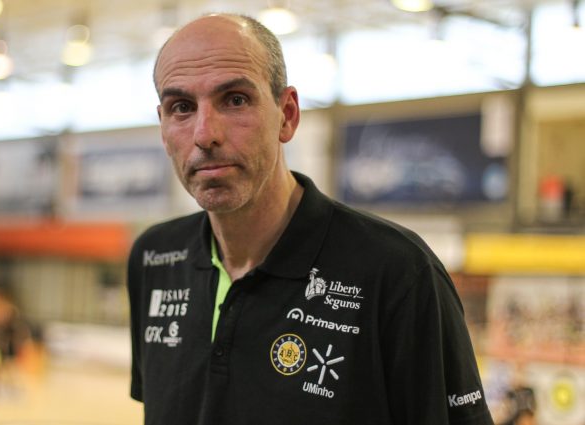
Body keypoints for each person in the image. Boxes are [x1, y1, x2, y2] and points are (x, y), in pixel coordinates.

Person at [127, 13, 494, 425]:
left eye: (235, 100)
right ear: (163, 128)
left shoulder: (399, 272)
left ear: (287, 115)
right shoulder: (154, 258)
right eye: (181, 107)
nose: (204, 134)